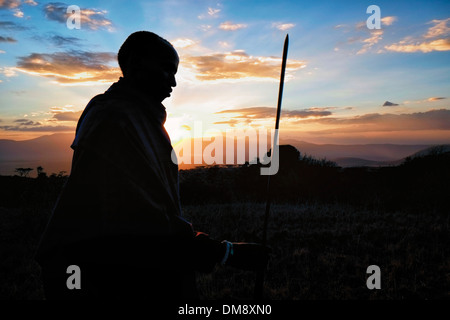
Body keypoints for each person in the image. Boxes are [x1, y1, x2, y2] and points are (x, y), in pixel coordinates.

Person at [35, 31, 269, 300]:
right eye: (167, 69)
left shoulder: (140, 118)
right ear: (136, 64)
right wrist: (226, 252)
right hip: (107, 277)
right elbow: (138, 220)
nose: (174, 82)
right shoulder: (113, 119)